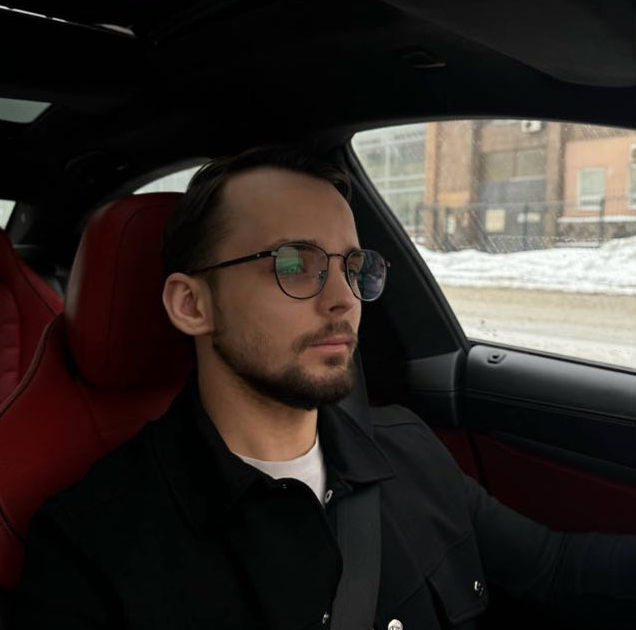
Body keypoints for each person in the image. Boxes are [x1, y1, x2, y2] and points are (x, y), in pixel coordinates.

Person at [13, 146, 636, 629]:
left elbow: (554, 568)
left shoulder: (407, 448)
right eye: (294, 263)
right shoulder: (93, 545)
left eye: (353, 266)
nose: (343, 299)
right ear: (192, 305)